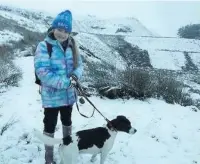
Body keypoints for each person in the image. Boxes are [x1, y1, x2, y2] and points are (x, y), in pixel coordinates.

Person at [34, 10, 83, 164]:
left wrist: (75, 76)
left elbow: (80, 65)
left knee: (67, 121)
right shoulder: (44, 46)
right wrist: (65, 82)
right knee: (49, 124)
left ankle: (66, 149)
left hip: (69, 96)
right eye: (59, 30)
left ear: (69, 32)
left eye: (66, 31)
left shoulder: (72, 45)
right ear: (53, 28)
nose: (62, 34)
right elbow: (42, 72)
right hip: (51, 97)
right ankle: (48, 157)